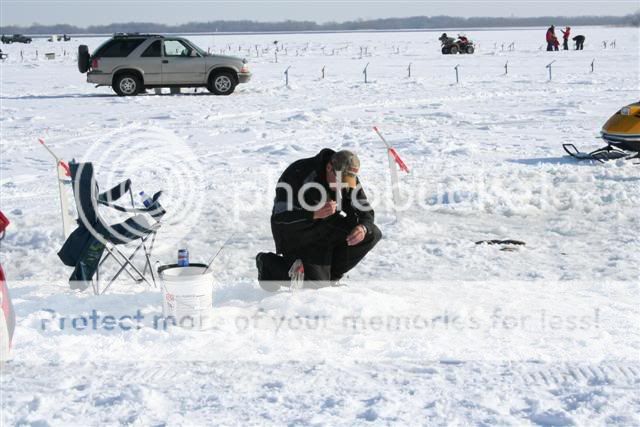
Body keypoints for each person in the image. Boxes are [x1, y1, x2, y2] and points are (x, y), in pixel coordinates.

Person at [256, 149, 382, 290]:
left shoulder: (347, 176)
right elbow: (280, 218)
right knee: (314, 288)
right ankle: (268, 264)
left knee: (372, 234)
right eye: (341, 180)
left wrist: (363, 228)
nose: (344, 185)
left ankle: (330, 278)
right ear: (329, 168)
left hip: (327, 227)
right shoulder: (297, 173)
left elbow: (365, 210)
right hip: (298, 235)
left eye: (348, 182)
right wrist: (312, 214)